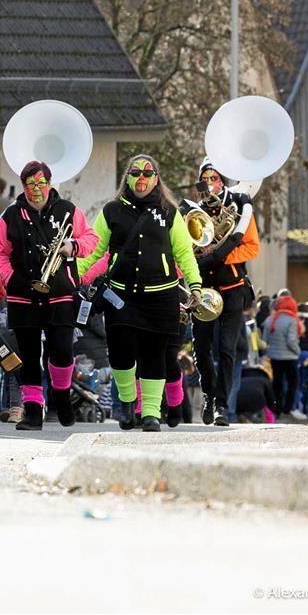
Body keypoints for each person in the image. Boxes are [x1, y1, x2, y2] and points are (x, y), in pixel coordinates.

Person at [78, 154, 202, 432]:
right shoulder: (112, 211)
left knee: (154, 355)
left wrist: (195, 284)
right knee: (121, 355)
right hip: (123, 297)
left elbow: (183, 253)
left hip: (162, 296)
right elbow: (95, 250)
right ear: (128, 178)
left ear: (156, 178)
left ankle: (150, 413)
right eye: (136, 173)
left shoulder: (170, 212)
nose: (142, 178)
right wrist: (70, 274)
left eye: (148, 173)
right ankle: (127, 403)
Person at [0, 160, 97, 431]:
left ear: (49, 183)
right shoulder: (11, 215)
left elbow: (92, 240)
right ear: (24, 185)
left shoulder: (68, 210)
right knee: (28, 355)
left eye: (41, 183)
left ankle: (61, 395)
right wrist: (12, 279)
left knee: (61, 350)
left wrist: (72, 246)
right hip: (22, 295)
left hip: (60, 292)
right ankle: (33, 411)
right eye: (30, 184)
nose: (36, 189)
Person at [185, 161, 260, 427]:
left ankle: (222, 406)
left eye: (214, 178)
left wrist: (220, 256)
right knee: (201, 349)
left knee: (227, 349)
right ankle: (208, 393)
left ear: (222, 181)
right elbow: (184, 248)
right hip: (202, 288)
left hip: (232, 289)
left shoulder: (239, 206)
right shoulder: (192, 210)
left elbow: (251, 248)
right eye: (204, 178)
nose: (209, 182)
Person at [262, 294, 301, 419]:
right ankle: (287, 408)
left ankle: (276, 409)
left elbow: (265, 340)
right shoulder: (292, 320)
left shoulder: (270, 320)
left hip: (274, 357)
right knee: (292, 383)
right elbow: (291, 341)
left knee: (277, 384)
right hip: (290, 358)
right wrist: (298, 351)